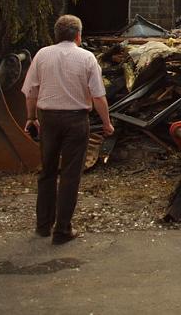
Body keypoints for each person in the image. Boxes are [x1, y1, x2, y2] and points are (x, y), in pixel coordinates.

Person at [22, 15, 114, 244]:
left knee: (47, 172)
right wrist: (106, 123)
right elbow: (98, 96)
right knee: (70, 175)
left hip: (49, 119)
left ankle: (43, 226)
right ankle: (62, 230)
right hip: (76, 121)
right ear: (78, 36)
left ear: (56, 35)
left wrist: (31, 118)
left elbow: (31, 91)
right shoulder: (87, 58)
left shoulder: (43, 55)